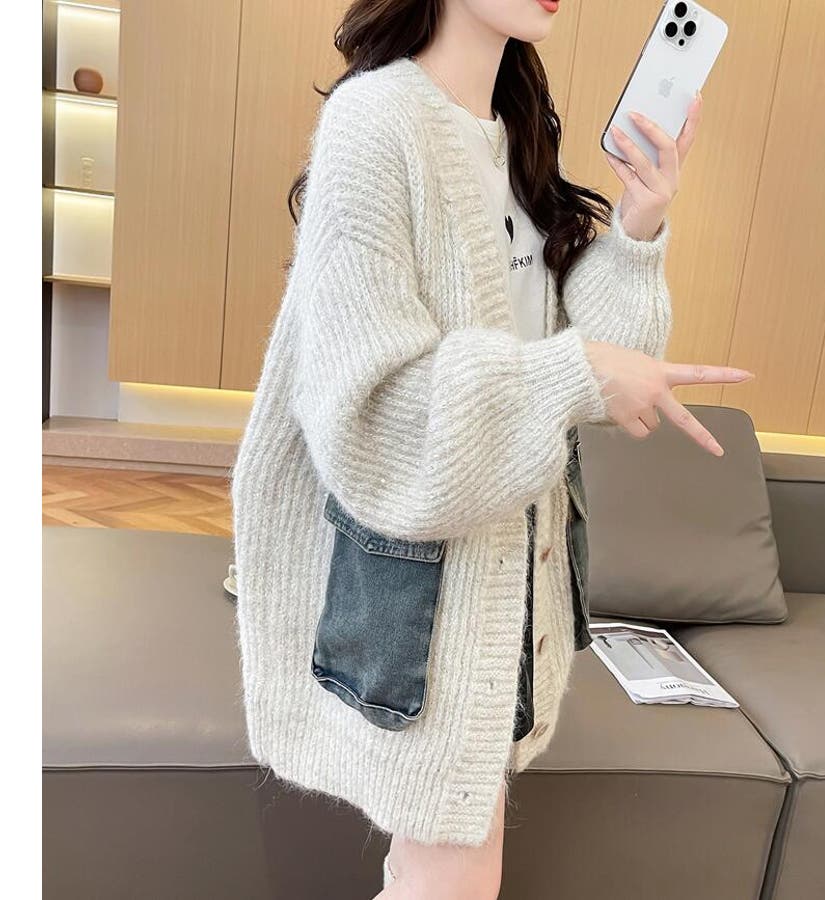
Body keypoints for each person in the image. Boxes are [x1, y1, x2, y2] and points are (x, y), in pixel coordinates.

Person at [229, 1, 754, 898]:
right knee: (453, 876)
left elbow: (587, 355)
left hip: (503, 589)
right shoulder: (374, 122)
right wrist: (581, 373)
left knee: (434, 873)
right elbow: (374, 415)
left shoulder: (512, 133)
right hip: (418, 598)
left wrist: (637, 223)